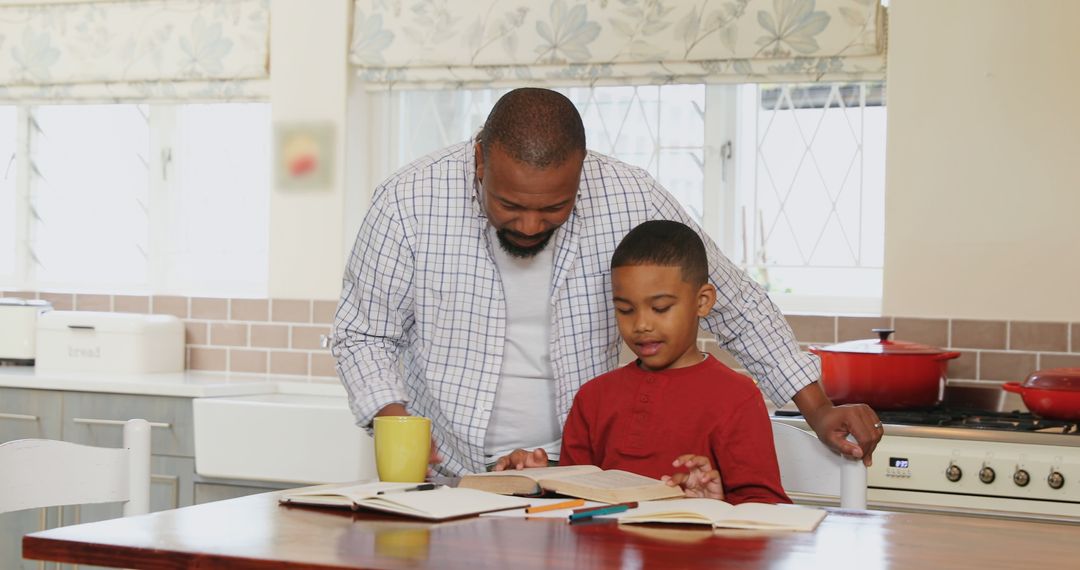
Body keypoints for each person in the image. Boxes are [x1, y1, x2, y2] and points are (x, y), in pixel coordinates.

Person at [332, 87, 883, 477]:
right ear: (479, 161)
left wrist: (816, 407)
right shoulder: (407, 203)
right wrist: (392, 415)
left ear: (582, 169)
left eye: (554, 207)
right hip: (448, 477)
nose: (528, 226)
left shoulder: (629, 196)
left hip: (578, 480)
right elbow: (363, 333)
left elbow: (732, 301)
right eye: (509, 205)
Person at [494, 220, 789, 505]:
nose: (641, 325)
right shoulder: (593, 397)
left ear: (702, 301)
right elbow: (572, 499)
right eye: (625, 310)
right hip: (608, 553)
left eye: (660, 308)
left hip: (697, 554)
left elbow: (765, 506)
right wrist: (538, 482)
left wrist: (716, 502)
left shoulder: (736, 397)